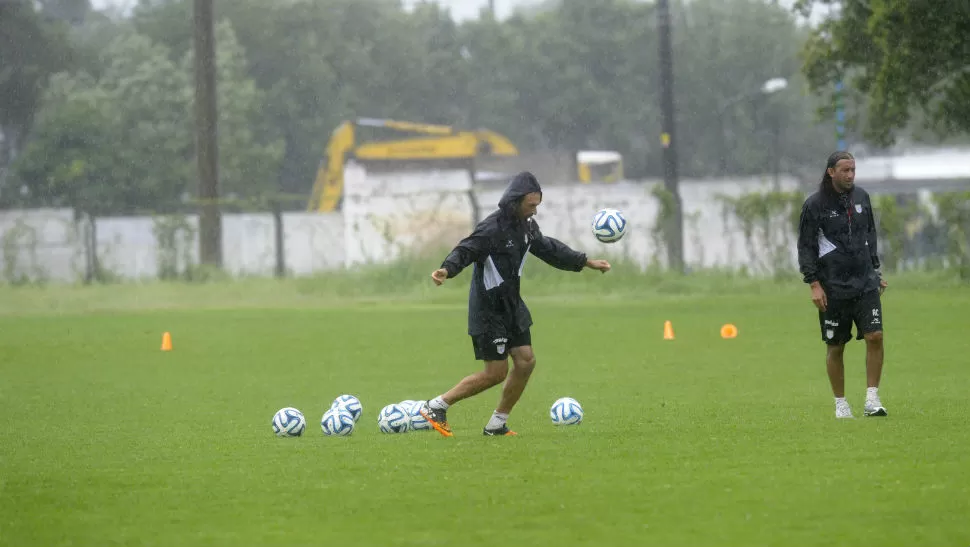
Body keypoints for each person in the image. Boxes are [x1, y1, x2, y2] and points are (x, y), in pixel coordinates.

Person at [418, 171, 612, 437]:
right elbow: (466, 249)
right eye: (531, 205)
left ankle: (497, 424)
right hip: (489, 309)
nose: (535, 210)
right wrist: (447, 270)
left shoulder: (527, 227)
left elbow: (549, 249)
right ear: (515, 201)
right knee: (495, 372)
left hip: (512, 306)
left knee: (526, 361)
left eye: (537, 205)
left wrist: (586, 262)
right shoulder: (492, 227)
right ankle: (436, 406)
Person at [797, 151, 889, 419]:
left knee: (875, 336)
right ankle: (841, 404)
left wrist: (875, 269)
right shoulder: (814, 205)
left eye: (853, 170)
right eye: (844, 170)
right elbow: (806, 246)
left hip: (865, 281)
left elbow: (869, 234)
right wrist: (813, 283)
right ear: (831, 172)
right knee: (836, 346)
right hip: (833, 285)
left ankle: (872, 399)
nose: (850, 175)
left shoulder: (862, 198)